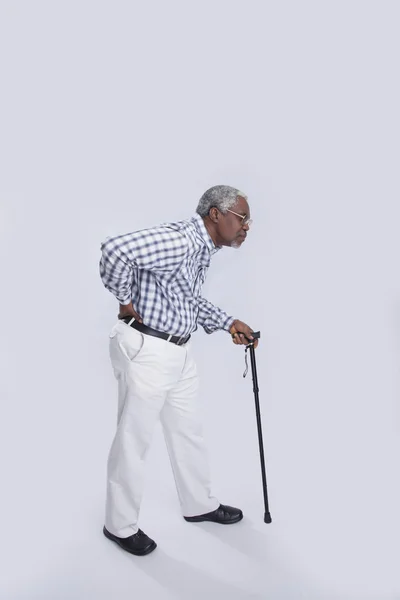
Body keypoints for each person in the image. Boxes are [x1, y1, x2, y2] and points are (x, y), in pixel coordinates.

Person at [99, 184, 257, 556]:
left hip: (177, 350)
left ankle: (198, 504)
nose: (247, 227)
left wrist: (228, 321)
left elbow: (187, 299)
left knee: (188, 431)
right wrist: (124, 301)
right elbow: (114, 249)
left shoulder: (201, 248)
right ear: (216, 214)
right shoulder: (181, 242)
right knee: (133, 440)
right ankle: (118, 526)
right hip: (148, 349)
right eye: (242, 218)